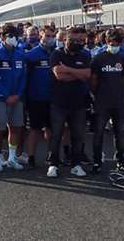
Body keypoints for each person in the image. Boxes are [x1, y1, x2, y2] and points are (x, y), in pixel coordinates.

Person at [47, 26, 91, 178]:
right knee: (56, 134)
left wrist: (68, 69)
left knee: (78, 135)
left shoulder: (85, 55)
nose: (77, 43)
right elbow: (59, 75)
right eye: (73, 40)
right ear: (65, 39)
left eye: (80, 40)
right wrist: (77, 73)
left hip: (78, 102)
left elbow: (87, 75)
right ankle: (53, 164)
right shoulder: (56, 54)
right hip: (59, 102)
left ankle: (76, 164)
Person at [89, 29, 124, 173]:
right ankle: (97, 162)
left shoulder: (123, 58)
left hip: (119, 102)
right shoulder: (99, 58)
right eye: (112, 43)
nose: (114, 45)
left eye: (117, 43)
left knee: (120, 134)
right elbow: (93, 80)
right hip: (102, 102)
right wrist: (98, 94)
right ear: (107, 42)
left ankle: (121, 160)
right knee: (99, 133)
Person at [0, 24, 26, 172]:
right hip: (0, 98)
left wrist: (18, 95)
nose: (14, 39)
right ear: (3, 37)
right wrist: (6, 95)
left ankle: (12, 158)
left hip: (17, 97)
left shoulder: (20, 54)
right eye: (11, 36)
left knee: (15, 128)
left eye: (16, 36)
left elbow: (24, 77)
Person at [23, 26, 54, 169]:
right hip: (35, 98)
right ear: (41, 36)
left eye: (51, 36)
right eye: (47, 35)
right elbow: (24, 77)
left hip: (53, 98)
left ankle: (51, 156)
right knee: (34, 129)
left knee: (51, 129)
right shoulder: (31, 55)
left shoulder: (57, 54)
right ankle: (31, 157)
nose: (50, 39)